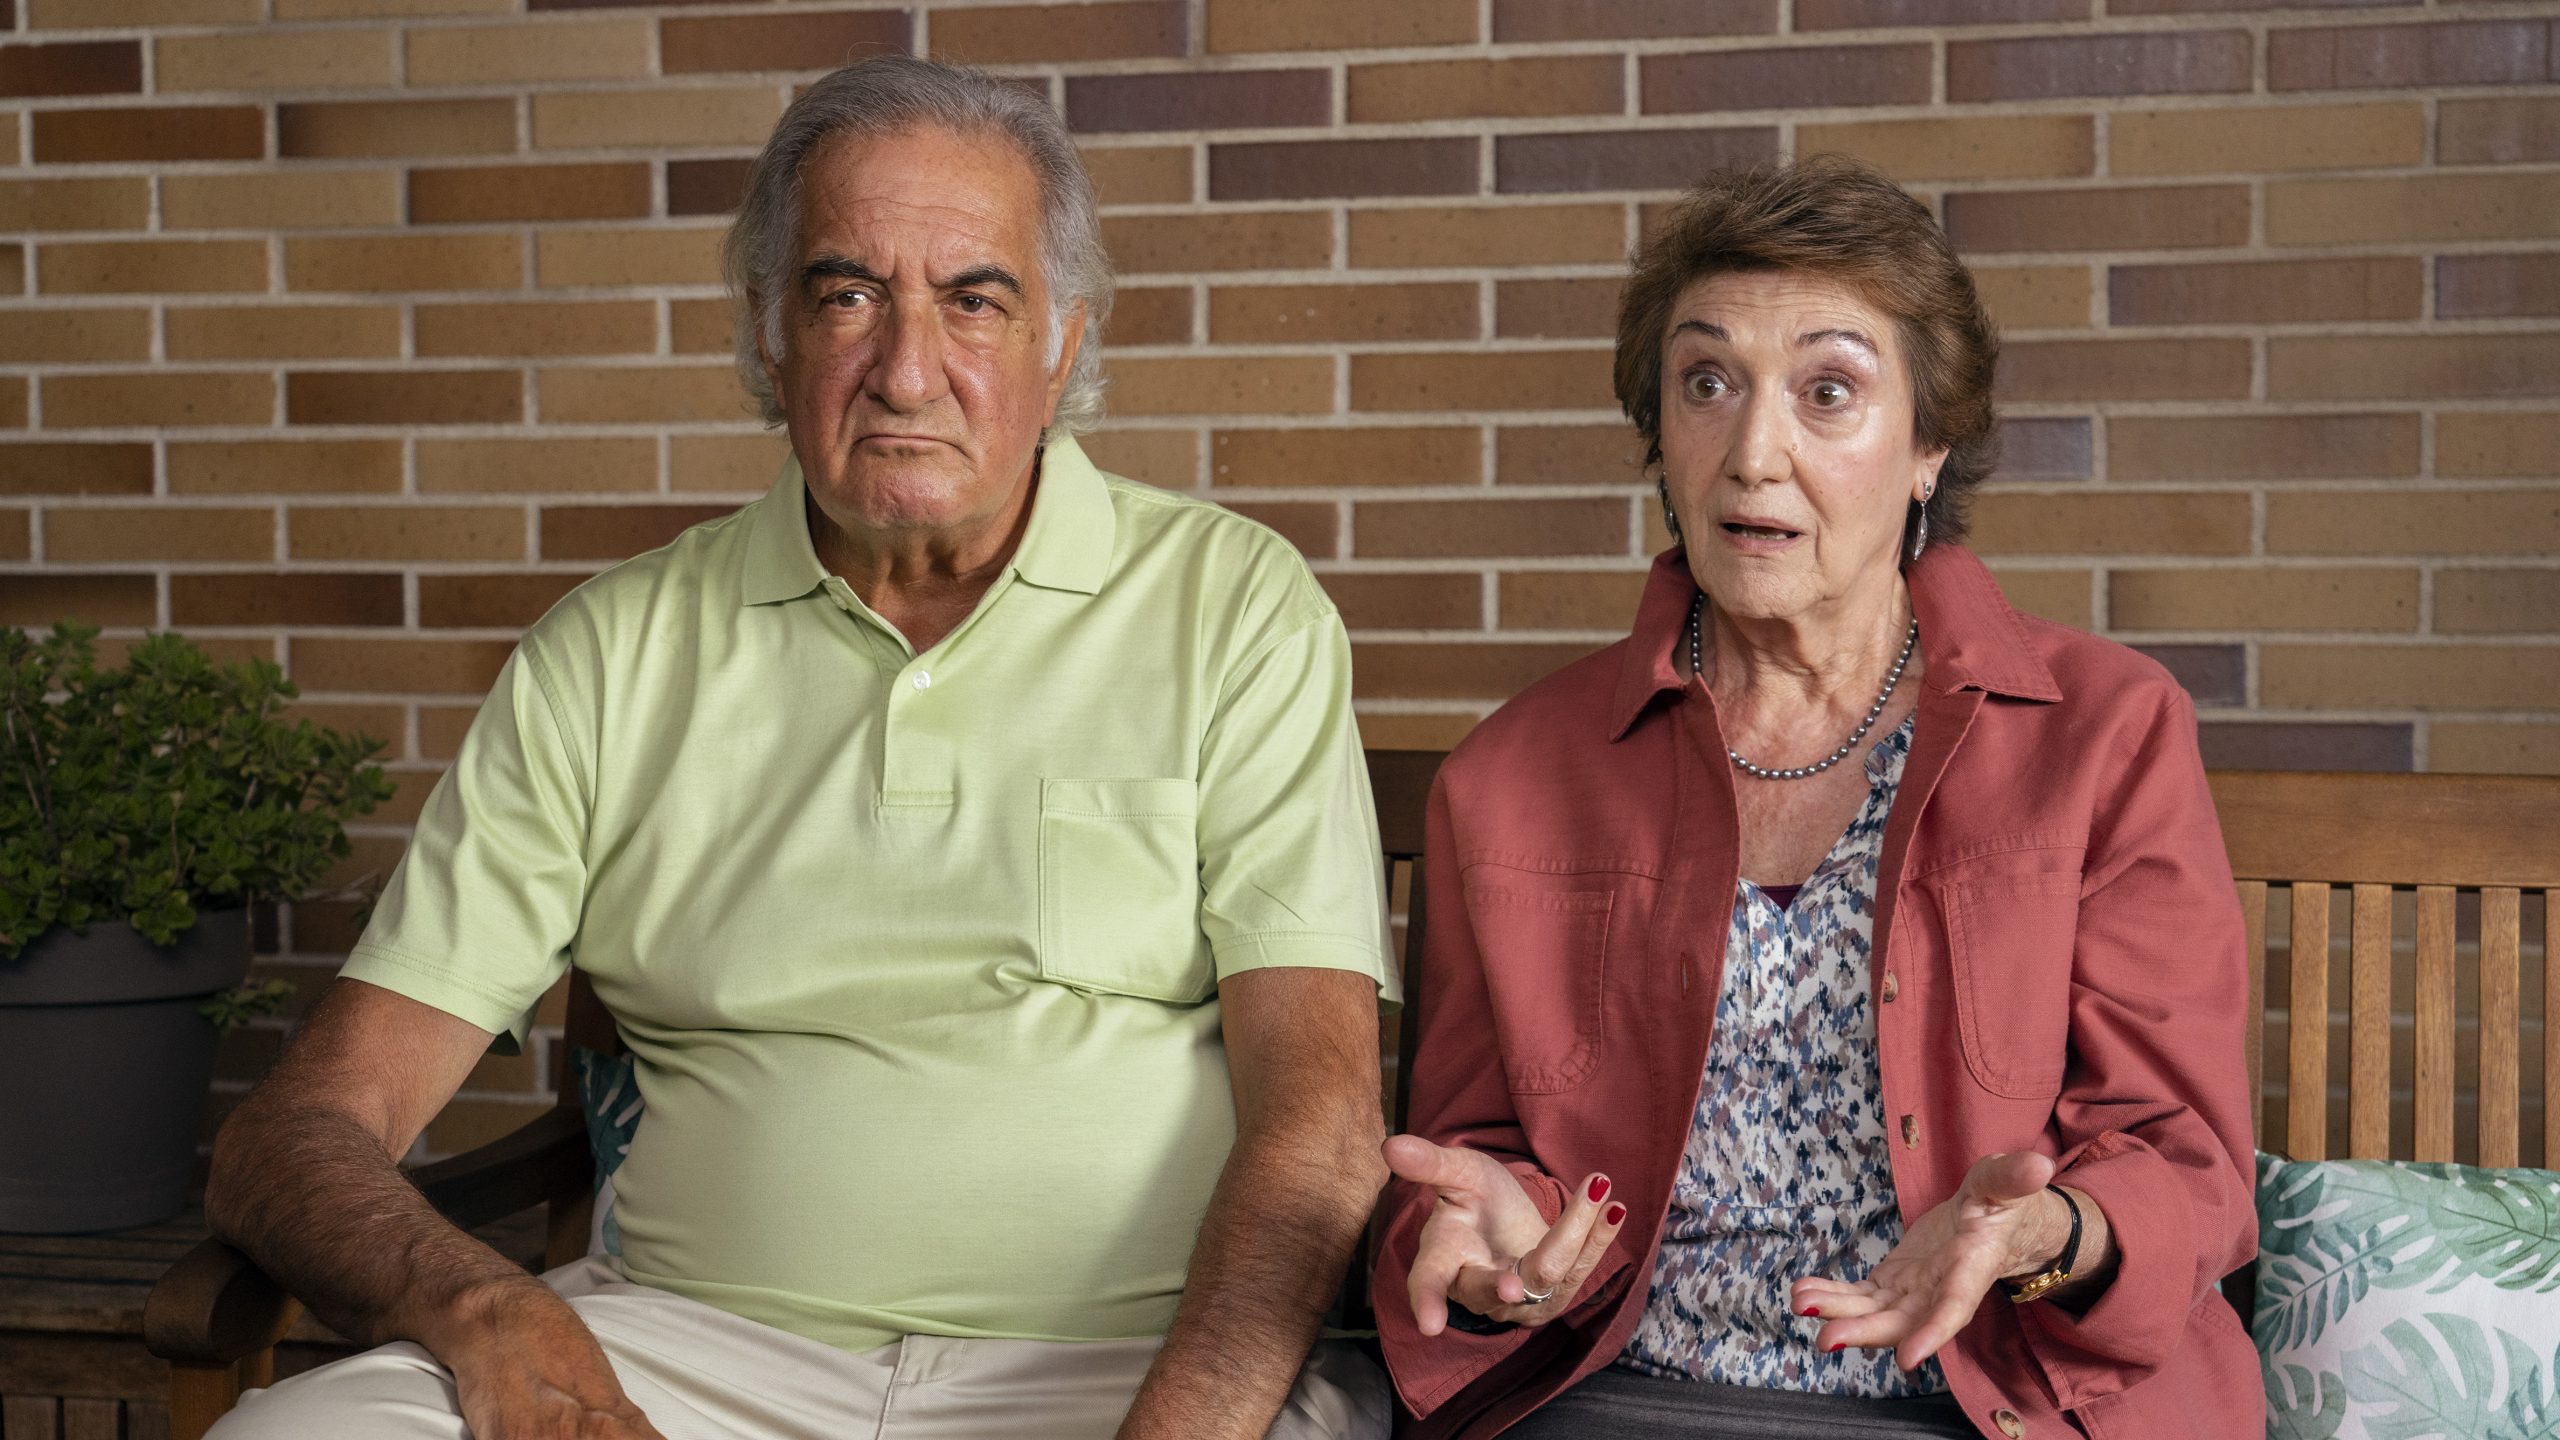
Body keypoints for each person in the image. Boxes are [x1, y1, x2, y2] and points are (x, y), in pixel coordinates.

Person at [204, 54, 1395, 1440]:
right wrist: (482, 1306)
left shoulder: (1232, 606)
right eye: (846, 295)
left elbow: (1318, 1127)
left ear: (1060, 341)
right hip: (689, 1356)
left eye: (974, 299)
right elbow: (290, 1136)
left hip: (1127, 1370)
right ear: (769, 338)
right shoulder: (609, 652)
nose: (906, 368)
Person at [1371, 157, 2262, 1439]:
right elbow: (1468, 1149)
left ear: (1927, 447)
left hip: (1996, 1398)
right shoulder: (1508, 777)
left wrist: (2047, 1229)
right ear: (1658, 432)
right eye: (1707, 383)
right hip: (1619, 1393)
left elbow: (2180, 1154)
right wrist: (1474, 1231)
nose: (1753, 452)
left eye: (1828, 391)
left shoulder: (2105, 733)